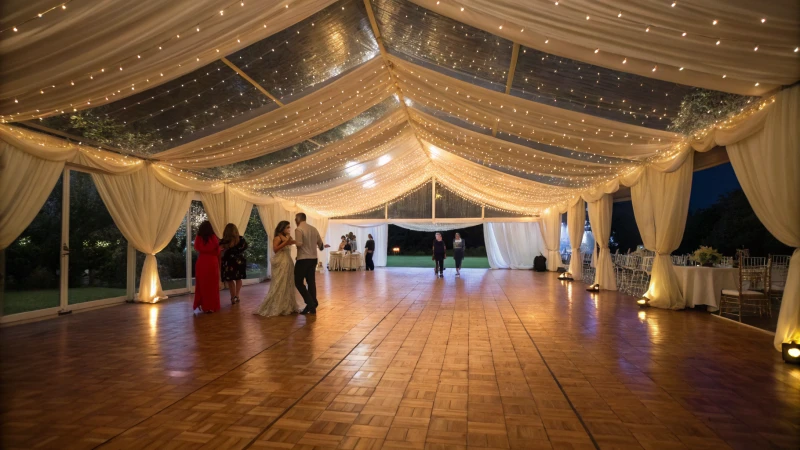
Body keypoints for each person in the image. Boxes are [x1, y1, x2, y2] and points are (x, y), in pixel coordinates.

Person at [255, 221, 299, 317]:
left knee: (287, 283)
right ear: (282, 228)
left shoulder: (286, 238)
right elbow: (275, 249)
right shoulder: (277, 238)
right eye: (287, 227)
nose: (289, 229)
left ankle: (287, 305)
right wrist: (286, 242)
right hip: (281, 262)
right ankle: (276, 305)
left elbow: (294, 242)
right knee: (279, 283)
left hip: (288, 262)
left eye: (289, 227)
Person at [294, 213, 329, 314]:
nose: (295, 221)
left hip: (303, 259)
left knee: (298, 281)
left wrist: (292, 242)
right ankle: (313, 304)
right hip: (313, 259)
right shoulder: (314, 229)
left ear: (298, 219)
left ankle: (310, 303)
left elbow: (299, 244)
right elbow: (321, 246)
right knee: (311, 282)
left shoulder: (298, 229)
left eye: (295, 219)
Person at [193, 221, 220, 313]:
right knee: (212, 285)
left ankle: (203, 305)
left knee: (202, 285)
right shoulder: (213, 237)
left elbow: (196, 248)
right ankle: (211, 306)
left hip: (201, 262)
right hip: (212, 262)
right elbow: (217, 250)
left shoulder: (198, 237)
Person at [220, 223, 247, 305]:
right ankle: (237, 296)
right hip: (239, 262)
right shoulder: (241, 240)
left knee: (230, 280)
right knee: (238, 279)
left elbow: (220, 251)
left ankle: (232, 297)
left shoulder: (223, 241)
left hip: (228, 262)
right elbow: (245, 248)